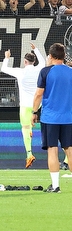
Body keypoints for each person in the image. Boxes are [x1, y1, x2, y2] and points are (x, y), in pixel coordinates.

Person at [33, 43, 72, 193]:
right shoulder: (70, 71)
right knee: (70, 150)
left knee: (52, 150)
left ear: (50, 56)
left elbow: (38, 94)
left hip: (50, 118)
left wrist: (34, 112)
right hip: (68, 117)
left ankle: (55, 186)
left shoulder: (46, 72)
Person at [1, 44, 45, 168]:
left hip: (25, 105)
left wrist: (7, 57)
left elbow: (3, 68)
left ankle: (29, 154)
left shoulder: (20, 72)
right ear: (34, 61)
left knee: (25, 128)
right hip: (39, 103)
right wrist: (36, 49)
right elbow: (43, 61)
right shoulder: (39, 69)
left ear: (25, 62)